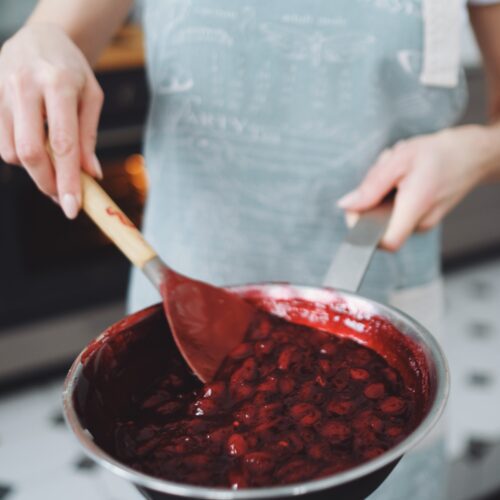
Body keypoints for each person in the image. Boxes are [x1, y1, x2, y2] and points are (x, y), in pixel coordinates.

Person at [1, 1, 500, 498]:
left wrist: (474, 152)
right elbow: (60, 35)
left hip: (383, 292)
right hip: (177, 316)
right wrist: (41, 40)